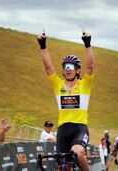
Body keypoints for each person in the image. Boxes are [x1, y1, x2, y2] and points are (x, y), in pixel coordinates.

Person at [37, 29, 94, 171]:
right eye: (65, 67)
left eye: (71, 67)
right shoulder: (58, 85)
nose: (67, 69)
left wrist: (87, 44)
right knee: (62, 164)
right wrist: (42, 45)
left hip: (79, 128)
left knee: (77, 154)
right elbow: (48, 67)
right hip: (63, 129)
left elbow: (90, 66)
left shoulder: (84, 84)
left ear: (77, 70)